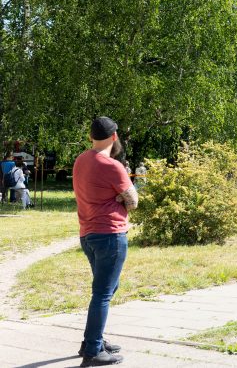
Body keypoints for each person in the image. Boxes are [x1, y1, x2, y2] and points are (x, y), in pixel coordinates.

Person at [73, 116, 137, 367]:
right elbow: (134, 201)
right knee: (102, 293)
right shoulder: (112, 166)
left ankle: (94, 341)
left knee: (106, 289)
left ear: (91, 137)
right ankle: (92, 352)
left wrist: (117, 198)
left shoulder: (81, 160)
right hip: (110, 235)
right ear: (114, 137)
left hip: (87, 234)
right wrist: (120, 200)